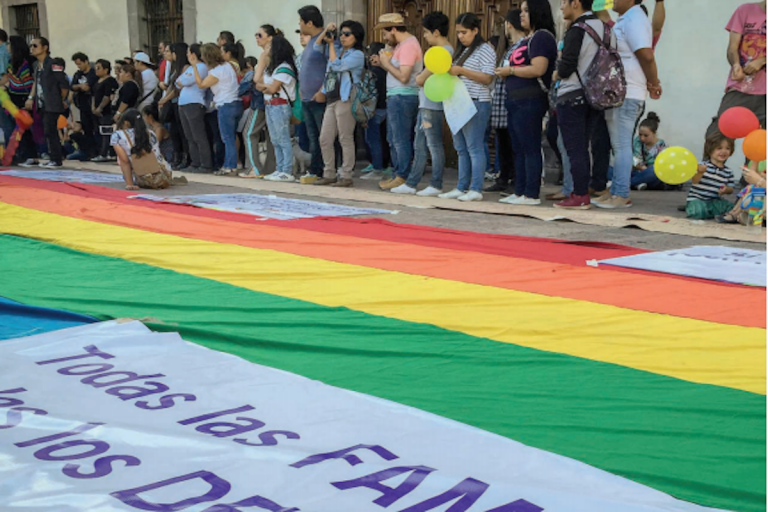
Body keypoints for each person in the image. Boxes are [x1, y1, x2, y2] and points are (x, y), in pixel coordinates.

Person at [594, 0, 662, 209]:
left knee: (622, 145)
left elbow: (646, 55)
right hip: (618, 91)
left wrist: (654, 82)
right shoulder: (626, 18)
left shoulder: (635, 18)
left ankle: (622, 193)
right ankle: (615, 190)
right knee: (618, 145)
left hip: (629, 91)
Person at [552, 0, 615, 209]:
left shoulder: (577, 29)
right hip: (596, 96)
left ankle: (579, 194)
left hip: (573, 94)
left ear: (576, 4)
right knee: (585, 146)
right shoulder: (607, 29)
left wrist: (556, 74)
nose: (561, 8)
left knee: (575, 148)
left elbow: (567, 66)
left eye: (563, 3)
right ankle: (582, 191)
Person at [495, 0, 557, 205]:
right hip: (515, 99)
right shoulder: (526, 39)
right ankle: (519, 189)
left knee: (529, 146)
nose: (521, 15)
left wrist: (510, 71)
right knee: (518, 147)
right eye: (521, 11)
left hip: (530, 98)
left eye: (526, 11)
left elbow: (538, 69)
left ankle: (531, 193)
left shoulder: (542, 37)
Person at [391, 11, 453, 196]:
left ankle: (436, 183)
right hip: (425, 103)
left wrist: (420, 77)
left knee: (433, 144)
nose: (424, 36)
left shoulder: (443, 51)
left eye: (426, 32)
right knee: (420, 145)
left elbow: (420, 79)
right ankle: (411, 183)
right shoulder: (441, 50)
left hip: (432, 105)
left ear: (435, 32)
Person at [438, 13, 496, 202]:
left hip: (476, 101)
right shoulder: (463, 51)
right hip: (459, 101)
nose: (461, 36)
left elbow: (488, 77)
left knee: (474, 146)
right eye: (458, 33)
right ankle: (462, 186)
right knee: (461, 148)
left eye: (464, 32)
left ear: (475, 30)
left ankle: (476, 188)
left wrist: (462, 70)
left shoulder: (485, 49)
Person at [312, 21, 365, 188]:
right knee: (325, 138)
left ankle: (346, 175)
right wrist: (327, 31)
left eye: (347, 34)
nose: (343, 37)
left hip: (346, 99)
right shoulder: (338, 51)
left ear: (356, 37)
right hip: (332, 99)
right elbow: (316, 46)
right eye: (341, 33)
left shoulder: (357, 55)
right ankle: (329, 173)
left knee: (345, 137)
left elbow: (337, 66)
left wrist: (332, 47)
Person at [375, 13, 423, 191]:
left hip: (403, 96)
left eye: (385, 32)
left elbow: (404, 76)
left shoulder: (409, 45)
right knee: (393, 138)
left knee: (400, 139)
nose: (384, 37)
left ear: (394, 29)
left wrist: (386, 64)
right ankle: (398, 174)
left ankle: (402, 175)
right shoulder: (402, 45)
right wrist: (384, 63)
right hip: (397, 96)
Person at [706, 1, 766, 140]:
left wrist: (763, 60)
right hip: (742, 87)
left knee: (760, 144)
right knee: (718, 134)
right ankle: (709, 163)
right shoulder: (745, 11)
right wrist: (736, 65)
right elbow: (732, 48)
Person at [487, 9, 526, 195]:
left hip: (512, 101)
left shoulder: (521, 46)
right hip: (502, 103)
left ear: (509, 24)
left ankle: (515, 180)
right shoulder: (508, 47)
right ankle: (503, 177)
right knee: (502, 143)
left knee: (513, 145)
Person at [189, 43, 242, 176]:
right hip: (236, 102)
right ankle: (233, 163)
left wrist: (194, 66)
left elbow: (201, 85)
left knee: (227, 138)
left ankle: (229, 166)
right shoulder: (228, 65)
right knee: (232, 136)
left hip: (225, 105)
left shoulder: (215, 72)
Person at [257, 35, 299, 182]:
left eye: (269, 47)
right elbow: (258, 83)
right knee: (275, 139)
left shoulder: (284, 68)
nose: (266, 50)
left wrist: (266, 88)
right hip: (270, 105)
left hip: (280, 105)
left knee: (283, 139)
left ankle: (286, 170)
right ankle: (279, 168)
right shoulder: (272, 69)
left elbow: (273, 87)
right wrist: (266, 87)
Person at [27, 37, 69, 168]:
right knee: (47, 131)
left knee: (50, 130)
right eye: (31, 46)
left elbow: (63, 84)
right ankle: (53, 157)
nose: (32, 48)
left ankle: (56, 159)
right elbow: (36, 82)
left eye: (35, 45)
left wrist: (60, 99)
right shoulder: (36, 65)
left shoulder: (53, 63)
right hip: (41, 103)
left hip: (52, 103)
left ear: (45, 47)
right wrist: (31, 97)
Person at [298, 6, 329, 182]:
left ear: (309, 22)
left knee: (323, 136)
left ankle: (326, 169)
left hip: (318, 97)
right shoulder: (311, 42)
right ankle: (315, 170)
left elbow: (330, 68)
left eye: (301, 22)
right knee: (312, 137)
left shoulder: (323, 41)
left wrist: (322, 90)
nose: (300, 25)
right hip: (307, 98)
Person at [110, 109, 173, 190]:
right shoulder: (151, 133)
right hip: (164, 175)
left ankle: (130, 183)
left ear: (126, 122)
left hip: (142, 176)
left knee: (123, 159)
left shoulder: (117, 135)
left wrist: (130, 184)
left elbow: (124, 160)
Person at [175, 43, 214, 174]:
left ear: (193, 54)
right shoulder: (191, 68)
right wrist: (183, 80)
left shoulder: (201, 67)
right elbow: (177, 82)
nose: (186, 55)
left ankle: (205, 164)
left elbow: (185, 82)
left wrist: (184, 80)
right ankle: (195, 162)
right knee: (189, 136)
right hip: (184, 104)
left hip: (194, 103)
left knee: (199, 136)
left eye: (188, 52)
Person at [0, 36, 36, 165]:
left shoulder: (29, 61)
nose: (7, 47)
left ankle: (32, 155)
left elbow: (34, 81)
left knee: (27, 128)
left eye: (9, 44)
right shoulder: (10, 62)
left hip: (26, 97)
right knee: (16, 129)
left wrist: (31, 97)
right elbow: (8, 79)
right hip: (13, 96)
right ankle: (21, 154)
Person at [686, 133, 736, 220]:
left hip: (714, 201)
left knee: (732, 208)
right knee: (698, 210)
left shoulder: (728, 171)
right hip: (697, 199)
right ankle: (697, 209)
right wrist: (700, 173)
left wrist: (726, 190)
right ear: (710, 150)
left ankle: (708, 211)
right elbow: (694, 181)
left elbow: (731, 188)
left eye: (727, 148)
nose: (723, 151)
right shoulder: (702, 165)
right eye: (719, 148)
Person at [159, 43, 191, 170]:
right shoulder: (173, 68)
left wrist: (165, 99)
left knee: (183, 132)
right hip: (173, 103)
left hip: (179, 102)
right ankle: (177, 157)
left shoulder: (185, 67)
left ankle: (185, 157)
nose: (167, 54)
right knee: (175, 132)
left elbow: (177, 88)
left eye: (169, 51)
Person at [69, 52, 98, 160]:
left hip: (92, 104)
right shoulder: (78, 74)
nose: (79, 67)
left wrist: (80, 87)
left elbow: (88, 87)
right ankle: (88, 152)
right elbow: (72, 86)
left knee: (95, 128)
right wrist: (79, 86)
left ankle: (97, 151)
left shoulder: (93, 73)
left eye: (80, 64)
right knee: (86, 129)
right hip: (82, 105)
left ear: (86, 61)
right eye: (77, 65)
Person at [630, 112, 668, 190]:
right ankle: (637, 183)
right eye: (640, 135)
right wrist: (641, 168)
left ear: (654, 133)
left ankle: (624, 184)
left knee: (654, 171)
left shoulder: (661, 145)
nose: (642, 138)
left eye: (646, 135)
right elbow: (635, 159)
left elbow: (661, 166)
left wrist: (645, 170)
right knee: (610, 169)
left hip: (651, 175)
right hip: (637, 172)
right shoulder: (637, 141)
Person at [91, 59, 119, 162]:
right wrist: (93, 107)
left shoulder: (110, 81)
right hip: (96, 112)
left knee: (106, 133)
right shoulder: (97, 81)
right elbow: (94, 95)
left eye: (99, 68)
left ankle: (107, 153)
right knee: (99, 132)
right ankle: (100, 151)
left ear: (106, 69)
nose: (96, 70)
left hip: (106, 111)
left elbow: (107, 96)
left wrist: (100, 108)